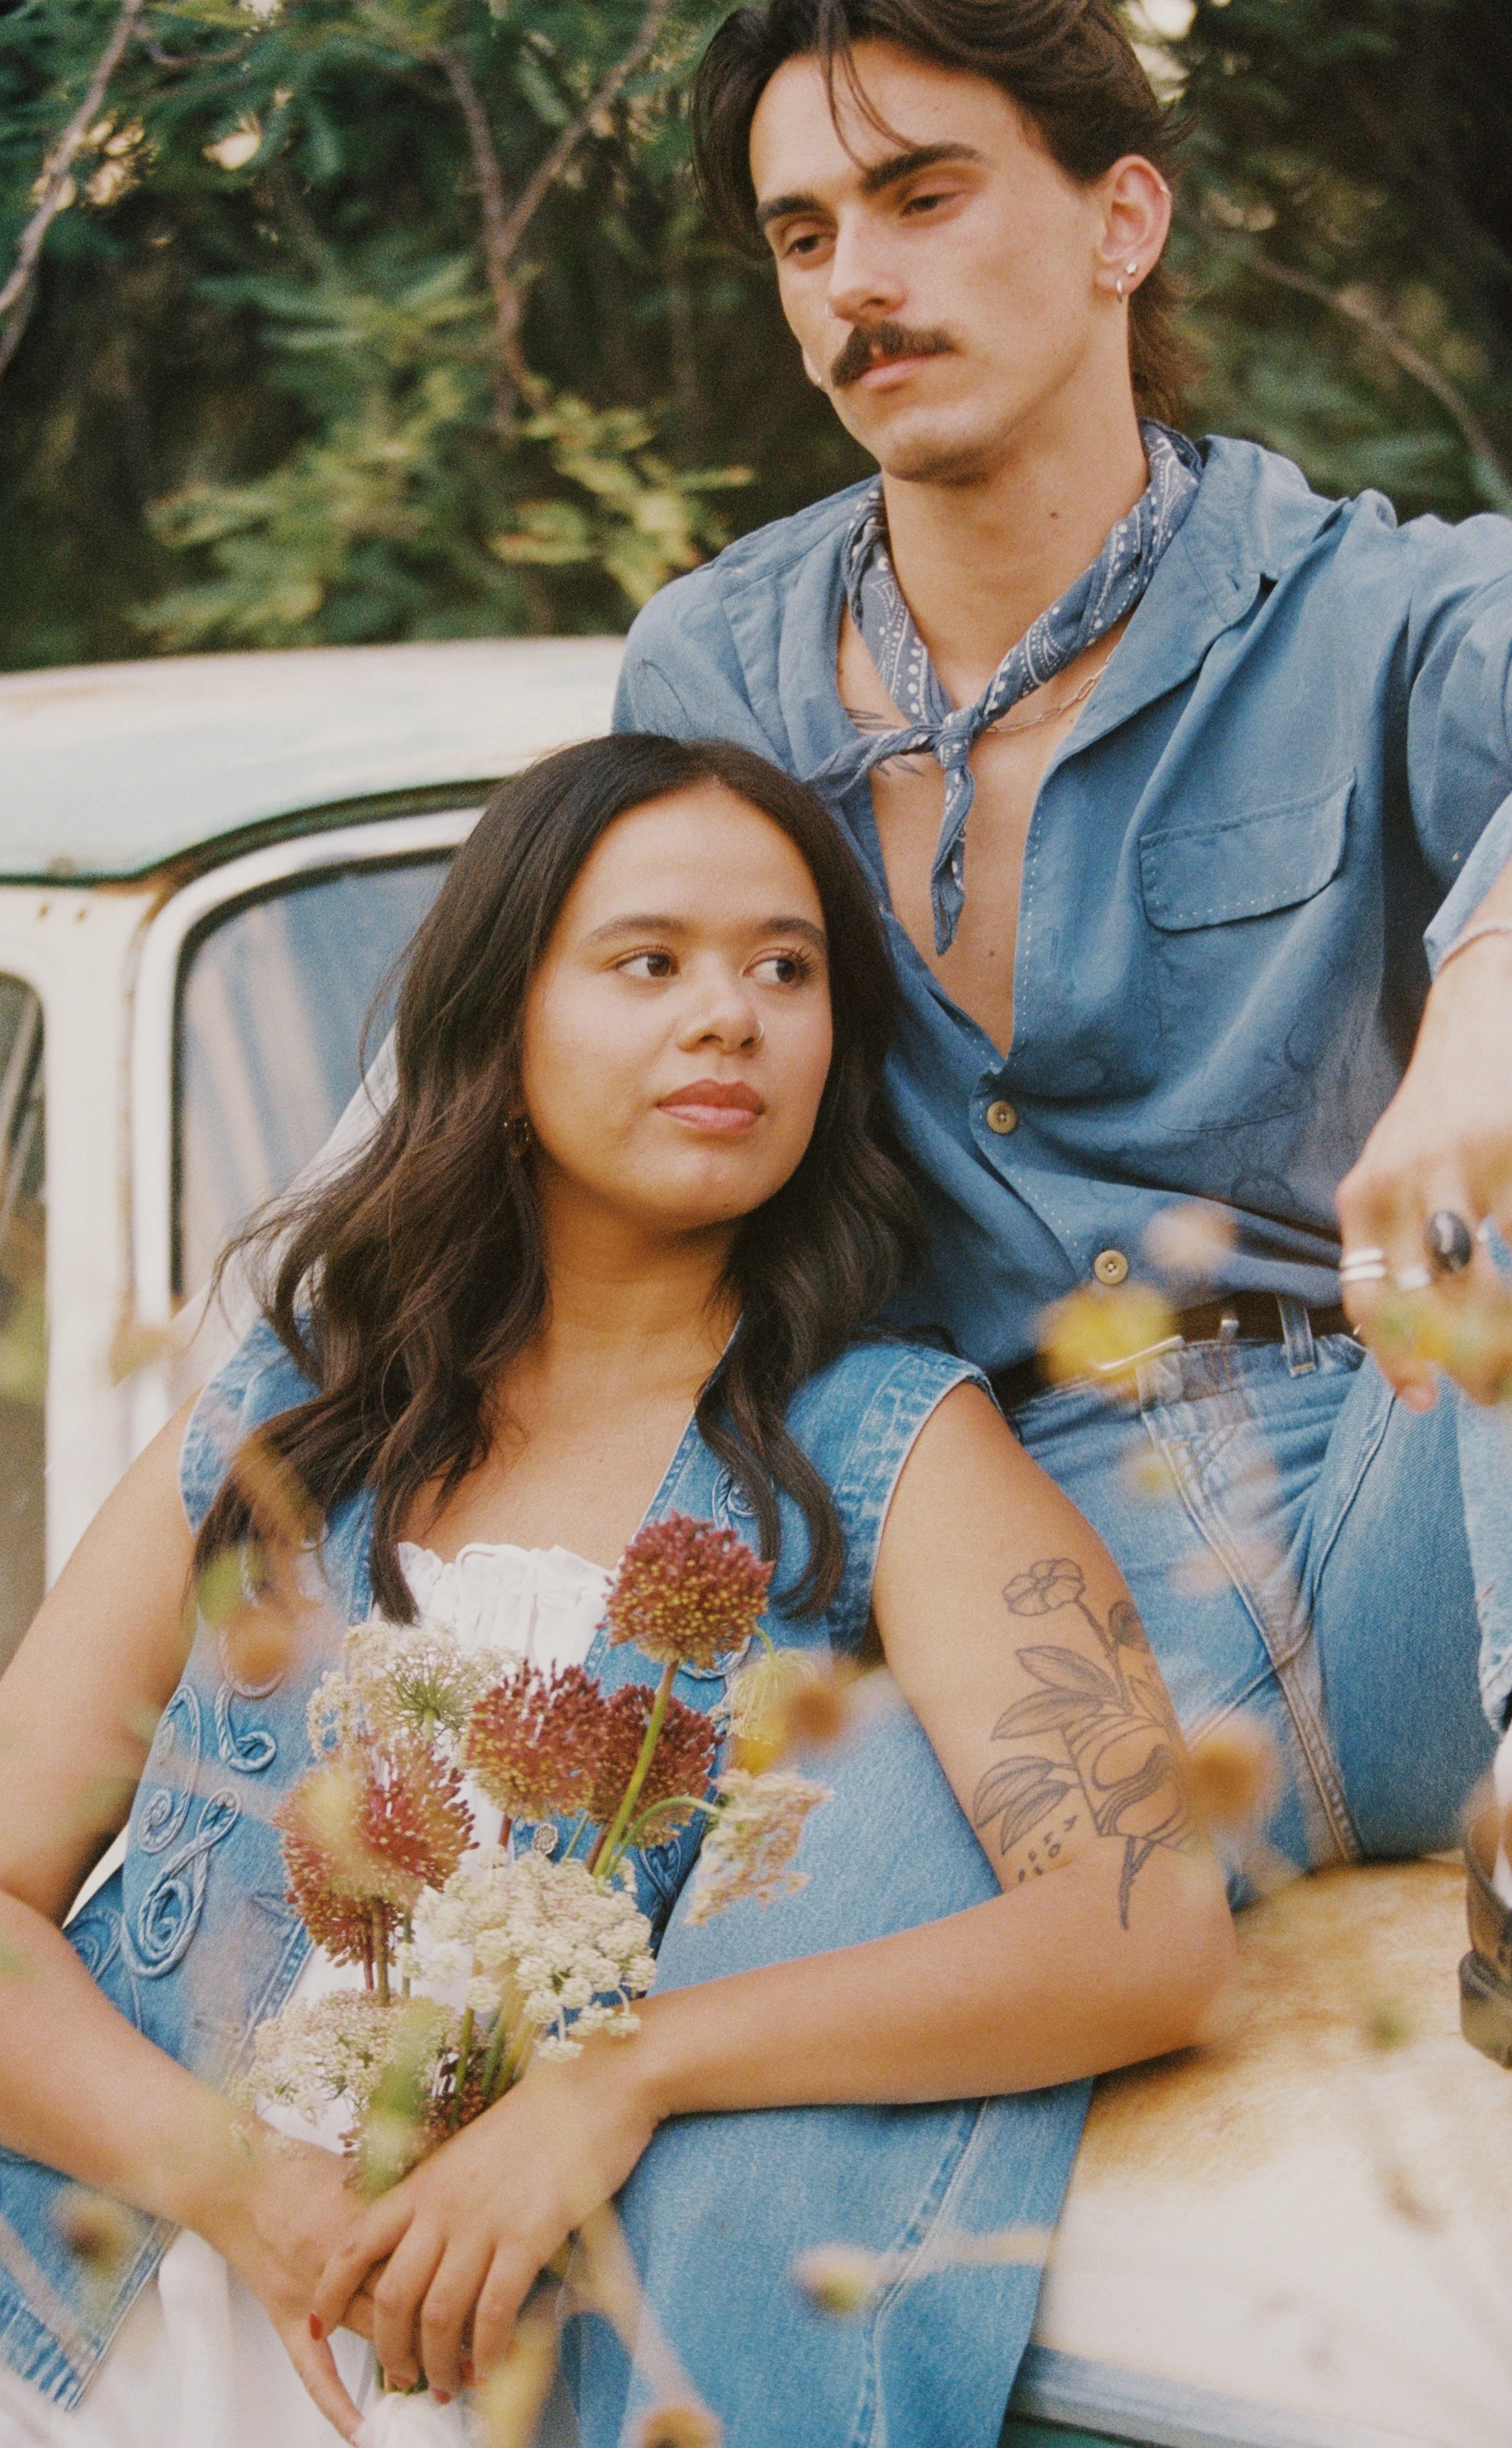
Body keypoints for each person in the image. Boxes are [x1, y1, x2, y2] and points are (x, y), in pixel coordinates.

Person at [0, 735, 1232, 2448]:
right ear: (504, 1028)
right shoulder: (288, 1410)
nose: (729, 1015)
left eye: (785, 969)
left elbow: (1146, 1931)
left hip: (462, 2381)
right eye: (647, 962)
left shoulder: (896, 1447)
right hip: (12, 2333)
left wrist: (636, 2064)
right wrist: (247, 2191)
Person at [611, 0, 1512, 1880]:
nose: (857, 279)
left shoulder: (1368, 608)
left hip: (1402, 1485)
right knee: (717, 2075)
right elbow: (526, 1082)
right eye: (802, 234)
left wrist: (1495, 995)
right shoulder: (710, 675)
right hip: (992, 1580)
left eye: (921, 196)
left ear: (1122, 224)